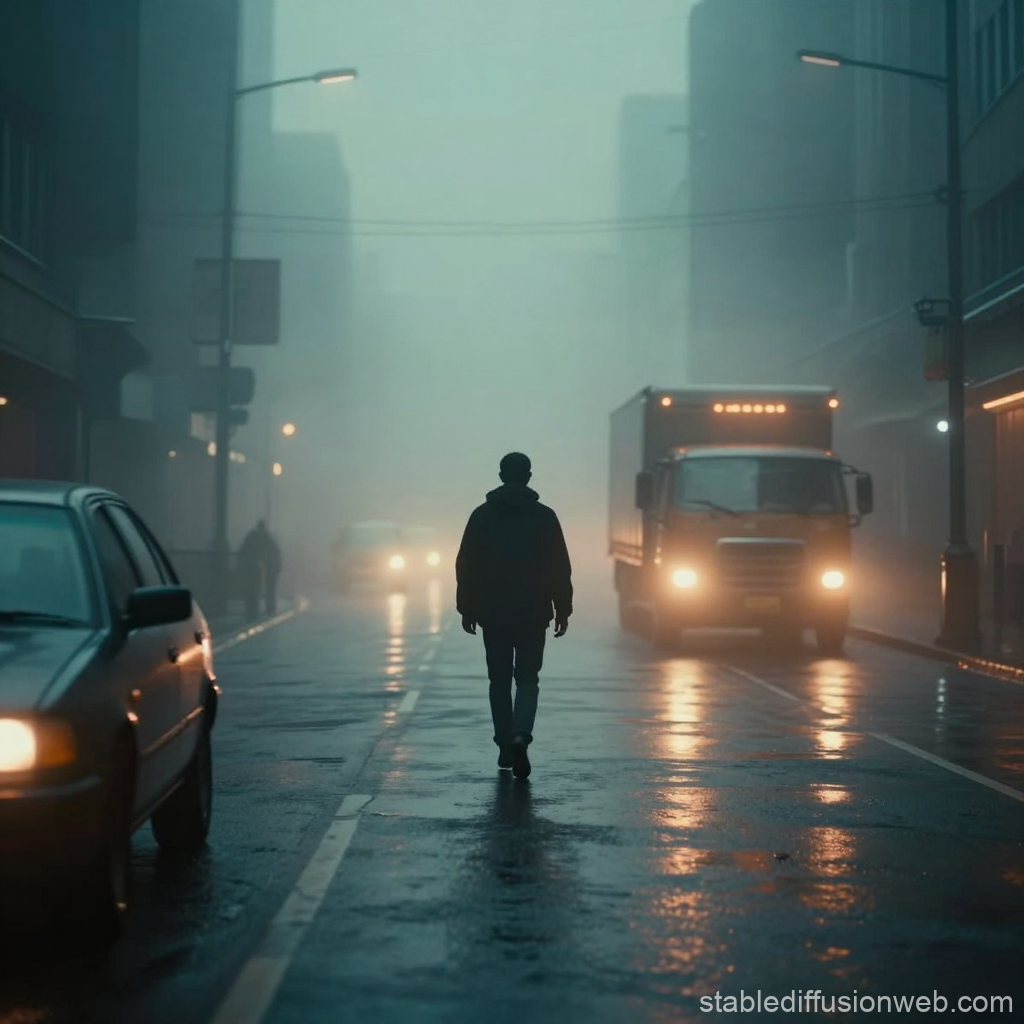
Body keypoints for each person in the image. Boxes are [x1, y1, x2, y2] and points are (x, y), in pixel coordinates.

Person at [456, 452, 573, 780]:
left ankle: (505, 745)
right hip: (533, 611)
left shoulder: (481, 516)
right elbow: (559, 567)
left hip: (493, 612)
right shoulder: (545, 517)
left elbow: (466, 565)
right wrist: (563, 608)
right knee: (528, 678)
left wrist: (467, 607)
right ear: (529, 476)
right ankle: (521, 734)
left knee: (498, 680)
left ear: (500, 474)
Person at [237, 520, 282, 619]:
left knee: (252, 589)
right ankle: (268, 609)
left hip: (252, 567)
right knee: (266, 589)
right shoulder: (268, 539)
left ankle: (252, 610)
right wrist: (276, 567)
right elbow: (275, 555)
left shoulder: (252, 538)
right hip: (261, 568)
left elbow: (242, 553)